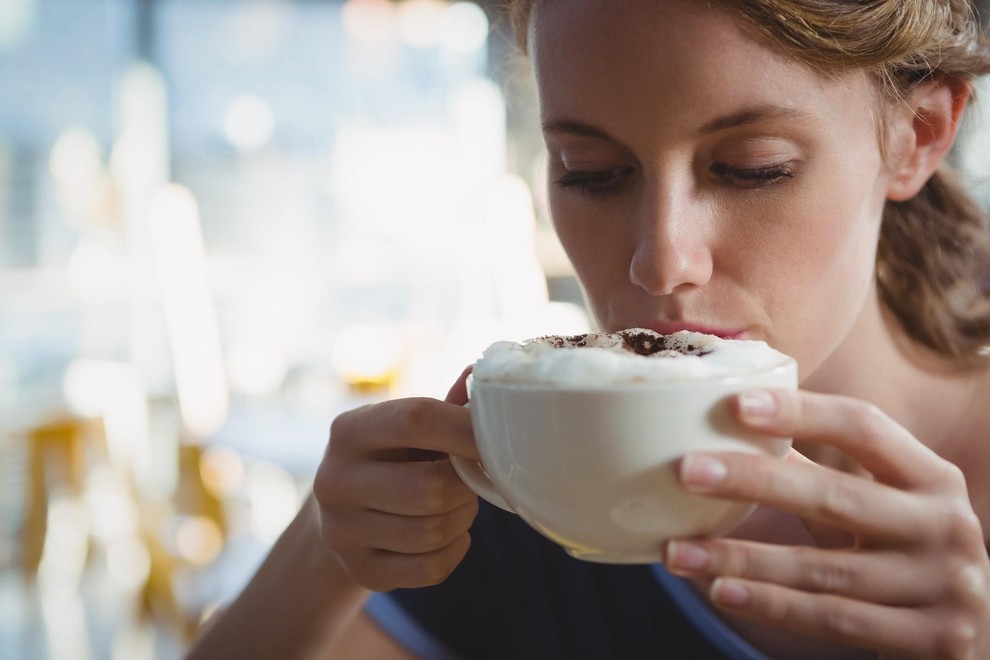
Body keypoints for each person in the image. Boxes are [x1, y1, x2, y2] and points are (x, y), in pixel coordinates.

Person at [186, 0, 990, 657]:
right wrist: (328, 550)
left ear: (918, 134)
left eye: (752, 167)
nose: (661, 261)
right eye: (592, 174)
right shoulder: (529, 489)